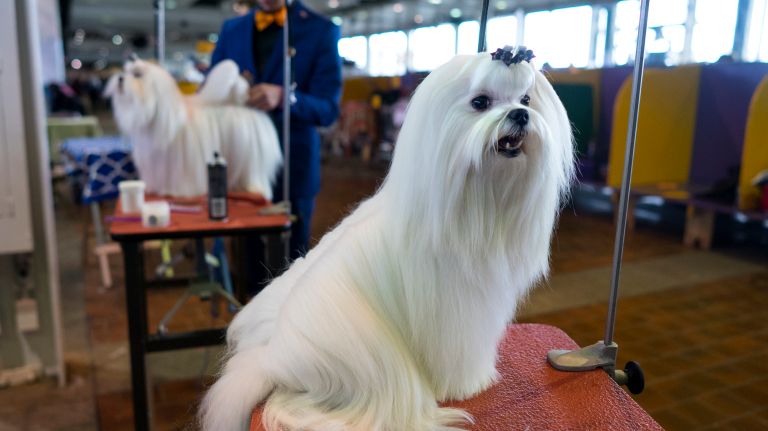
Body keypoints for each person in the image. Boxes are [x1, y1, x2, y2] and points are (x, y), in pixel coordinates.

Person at [209, 0, 342, 267]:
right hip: (241, 168)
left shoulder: (320, 30)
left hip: (292, 170)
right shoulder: (231, 30)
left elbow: (327, 109)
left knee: (291, 268)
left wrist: (285, 97)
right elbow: (211, 93)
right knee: (247, 266)